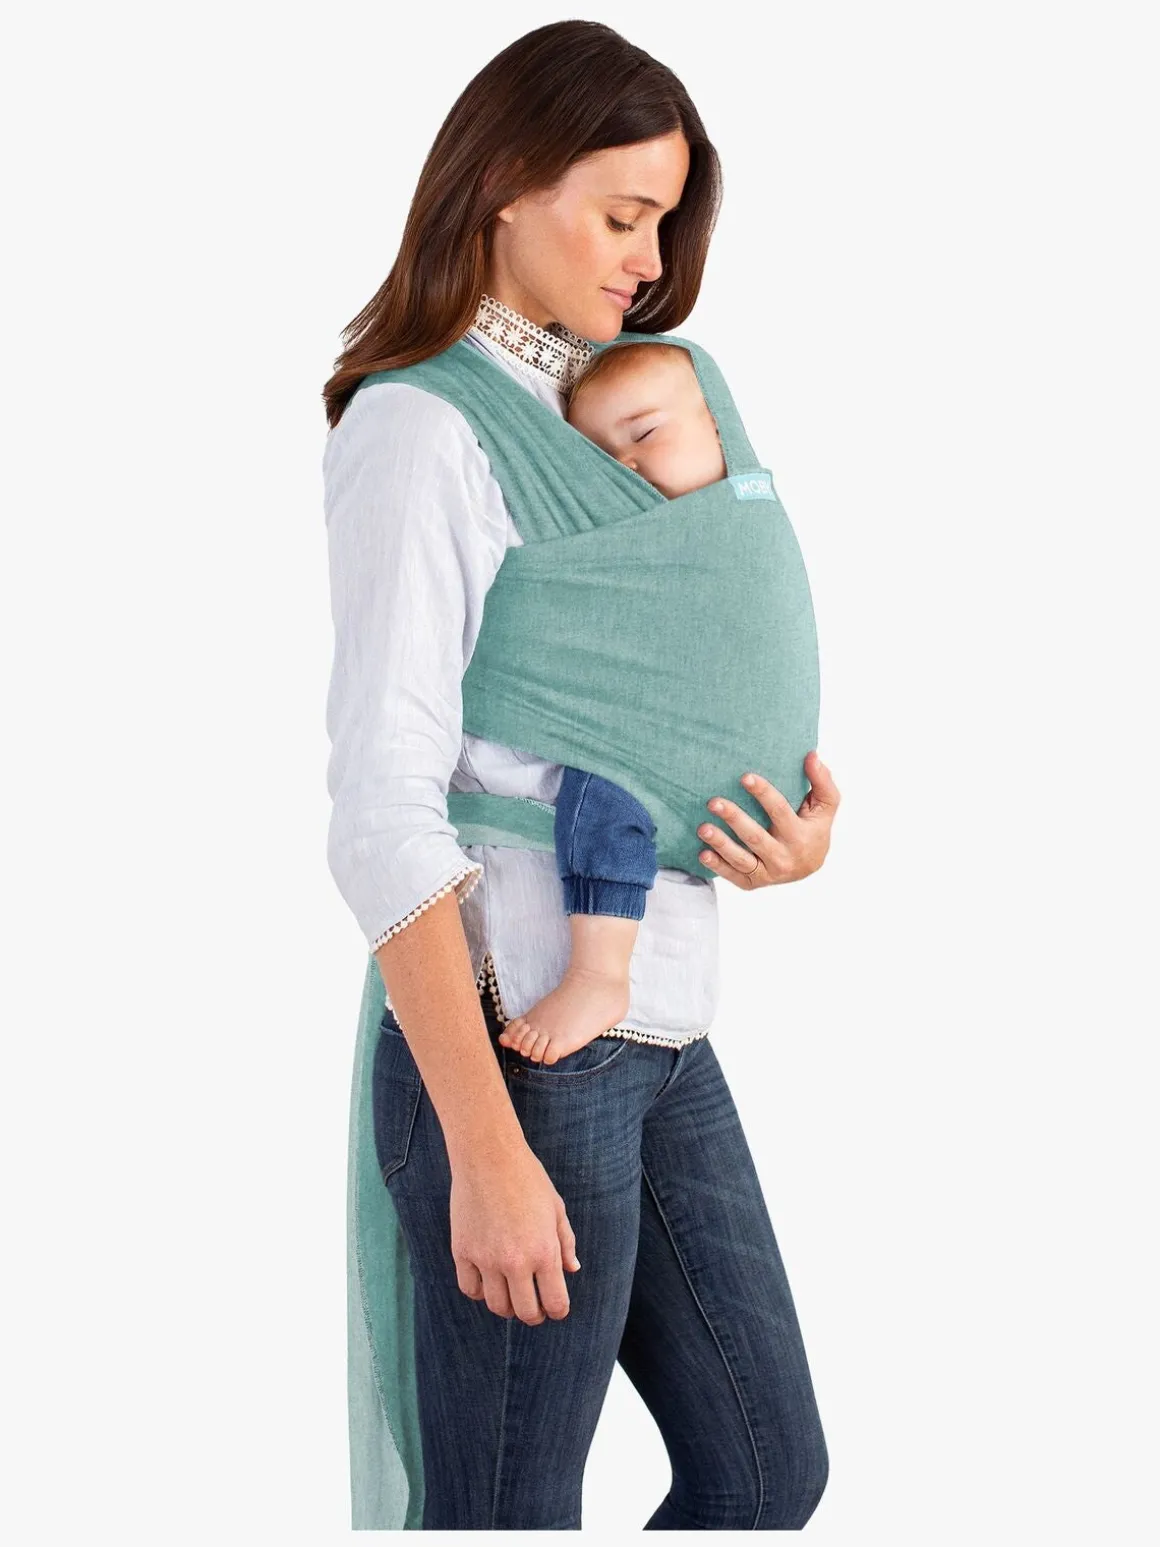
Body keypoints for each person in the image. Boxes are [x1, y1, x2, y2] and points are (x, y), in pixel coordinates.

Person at [322, 19, 840, 1531]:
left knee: (764, 1468)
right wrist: (481, 1145)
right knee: (505, 1508)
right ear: (503, 182)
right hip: (516, 1040)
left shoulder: (613, 405)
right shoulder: (421, 426)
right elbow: (380, 808)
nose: (649, 259)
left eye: (664, 223)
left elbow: (667, 668)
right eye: (622, 216)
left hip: (661, 1020)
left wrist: (765, 820)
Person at [498, 339, 734, 1067]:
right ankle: (600, 971)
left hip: (721, 761)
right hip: (647, 747)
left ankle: (600, 971)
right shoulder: (620, 540)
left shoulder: (744, 527)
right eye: (600, 459)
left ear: (719, 426)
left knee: (606, 780)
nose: (624, 468)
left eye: (646, 434)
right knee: (600, 782)